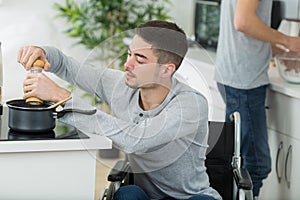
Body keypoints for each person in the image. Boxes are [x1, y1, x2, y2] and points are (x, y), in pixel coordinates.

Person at [18, 20, 222, 200]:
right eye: (129, 54)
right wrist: (42, 52)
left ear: (166, 69)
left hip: (191, 197)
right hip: (145, 196)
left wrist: (63, 99)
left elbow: (138, 140)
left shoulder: (191, 104)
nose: (127, 64)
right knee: (127, 194)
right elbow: (69, 67)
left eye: (140, 59)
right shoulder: (121, 86)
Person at [215, 1, 300, 198]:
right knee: (255, 165)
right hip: (244, 80)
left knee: (240, 162)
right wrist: (288, 41)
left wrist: (279, 51)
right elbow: (244, 22)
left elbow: (246, 26)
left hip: (237, 74)